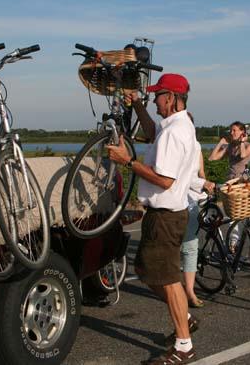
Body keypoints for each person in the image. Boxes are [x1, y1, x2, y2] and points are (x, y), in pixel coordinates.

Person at [107, 73, 199, 364]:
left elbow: (165, 180)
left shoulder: (175, 133)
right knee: (147, 270)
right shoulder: (174, 126)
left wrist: (128, 162)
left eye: (158, 95)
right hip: (163, 215)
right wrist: (137, 105)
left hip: (166, 217)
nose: (154, 99)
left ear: (171, 98)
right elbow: (151, 131)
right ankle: (184, 316)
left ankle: (184, 346)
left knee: (169, 279)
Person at [208, 122, 250, 260]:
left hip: (243, 184)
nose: (232, 132)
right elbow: (212, 158)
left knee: (249, 218)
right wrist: (221, 142)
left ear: (242, 132)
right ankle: (233, 247)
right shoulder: (230, 147)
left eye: (234, 130)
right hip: (231, 185)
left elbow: (242, 155)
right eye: (231, 130)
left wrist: (241, 141)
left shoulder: (249, 146)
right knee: (234, 217)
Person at [181, 120, 215, 308]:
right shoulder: (176, 143)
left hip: (194, 198)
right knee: (182, 246)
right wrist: (202, 183)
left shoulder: (196, 145)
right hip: (178, 198)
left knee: (191, 245)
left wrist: (206, 184)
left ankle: (189, 291)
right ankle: (177, 289)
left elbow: (200, 171)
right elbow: (180, 176)